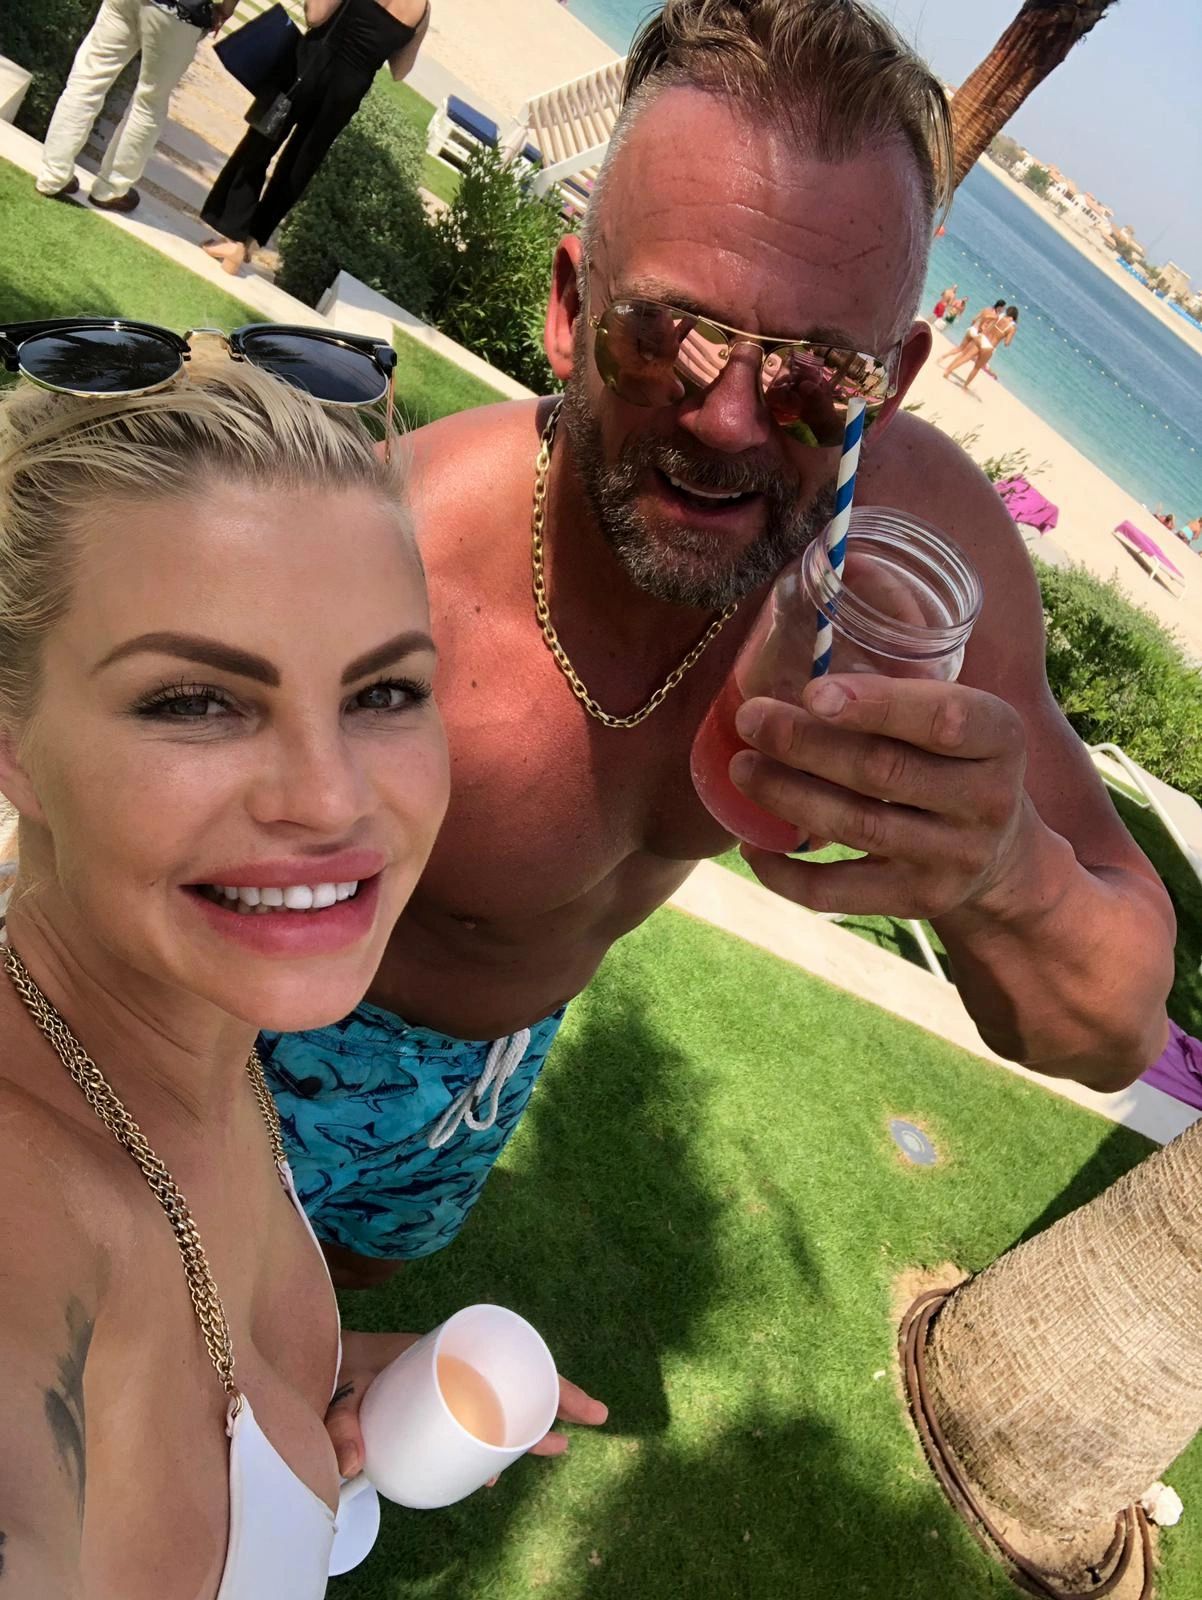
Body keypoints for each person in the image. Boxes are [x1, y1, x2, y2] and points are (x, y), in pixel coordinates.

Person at [261, 0, 1175, 1303]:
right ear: (569, 310)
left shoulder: (916, 552)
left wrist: (1002, 870)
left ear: (894, 381)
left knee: (351, 1291)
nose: (733, 422)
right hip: (284, 1028)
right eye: (663, 338)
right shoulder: (391, 569)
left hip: (497, 1066)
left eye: (819, 374)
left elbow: (1109, 1028)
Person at [0, 341, 474, 1596]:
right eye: (195, 700)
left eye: (383, 691)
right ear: (12, 742)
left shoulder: (207, 1059)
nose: (330, 798)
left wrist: (314, 1396)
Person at [200, 0, 430, 275]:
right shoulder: (423, 10)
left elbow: (315, 15)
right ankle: (254, 238)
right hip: (349, 90)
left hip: (310, 66)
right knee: (300, 163)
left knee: (261, 141)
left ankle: (233, 235)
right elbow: (400, 71)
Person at [35, 0, 236, 212]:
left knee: (89, 78)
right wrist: (226, 9)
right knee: (149, 102)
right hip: (180, 12)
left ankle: (53, 174)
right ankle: (111, 188)